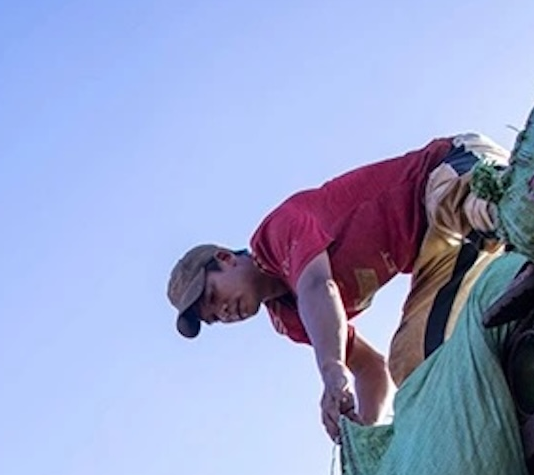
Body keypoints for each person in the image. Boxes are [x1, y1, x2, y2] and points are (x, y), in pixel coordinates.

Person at [167, 134, 507, 441]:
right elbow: (370, 368)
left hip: (444, 173)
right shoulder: (291, 321)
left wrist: (331, 370)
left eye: (214, 296)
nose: (223, 312)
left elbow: (318, 285)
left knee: (475, 206)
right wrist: (364, 429)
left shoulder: (273, 236)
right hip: (435, 249)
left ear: (226, 259)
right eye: (213, 317)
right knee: (410, 361)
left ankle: (521, 197)